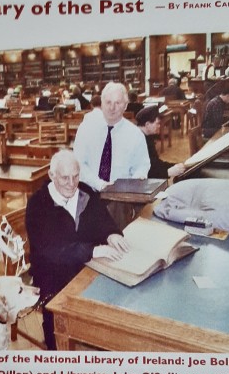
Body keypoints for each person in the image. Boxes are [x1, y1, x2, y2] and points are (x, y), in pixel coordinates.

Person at [25, 150, 128, 350]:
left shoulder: (86, 192)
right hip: (51, 274)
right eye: (64, 177)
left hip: (86, 265)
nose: (72, 183)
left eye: (76, 176)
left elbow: (103, 221)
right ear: (51, 175)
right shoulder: (38, 204)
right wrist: (92, 251)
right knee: (57, 315)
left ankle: (98, 342)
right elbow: (51, 250)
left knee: (115, 296)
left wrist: (111, 234)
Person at [74, 81, 150, 191]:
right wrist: (99, 184)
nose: (112, 108)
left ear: (125, 105)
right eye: (108, 102)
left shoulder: (135, 135)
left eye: (117, 103)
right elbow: (78, 162)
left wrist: (132, 185)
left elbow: (142, 166)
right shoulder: (86, 128)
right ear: (101, 103)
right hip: (88, 191)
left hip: (121, 194)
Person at [136, 106, 186, 178]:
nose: (159, 126)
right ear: (147, 124)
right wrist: (167, 172)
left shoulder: (147, 135)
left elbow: (155, 163)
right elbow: (143, 172)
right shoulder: (137, 141)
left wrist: (175, 165)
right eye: (157, 123)